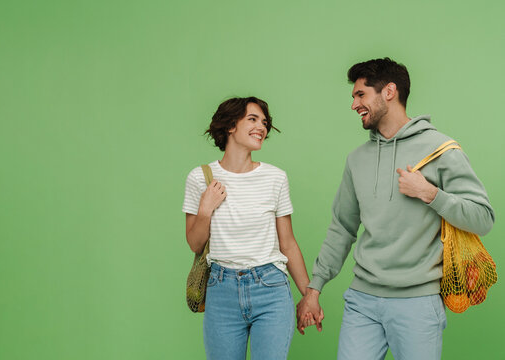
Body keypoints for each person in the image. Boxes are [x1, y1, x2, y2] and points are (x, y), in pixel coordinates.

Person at [296, 58, 494, 359]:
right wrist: (314, 288)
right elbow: (342, 228)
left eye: (360, 94)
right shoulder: (356, 159)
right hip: (362, 301)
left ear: (389, 91)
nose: (353, 104)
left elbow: (483, 217)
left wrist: (431, 194)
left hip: (418, 303)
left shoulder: (441, 150)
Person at [183, 96, 312, 360]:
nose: (261, 128)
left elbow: (287, 243)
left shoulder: (275, 177)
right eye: (252, 120)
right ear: (230, 126)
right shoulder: (199, 178)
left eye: (264, 122)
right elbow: (195, 244)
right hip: (222, 290)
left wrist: (309, 295)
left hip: (271, 288)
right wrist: (206, 208)